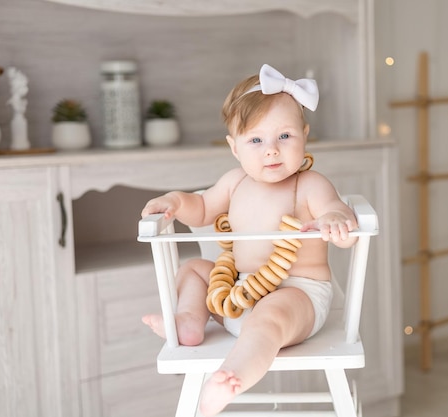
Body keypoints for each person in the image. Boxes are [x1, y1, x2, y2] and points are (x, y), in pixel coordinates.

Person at [140, 63, 358, 416]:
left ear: (304, 135)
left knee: (272, 312)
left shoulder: (312, 185)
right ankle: (189, 322)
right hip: (238, 294)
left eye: (284, 137)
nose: (271, 150)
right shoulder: (234, 182)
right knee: (194, 269)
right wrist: (177, 202)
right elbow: (201, 208)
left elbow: (340, 219)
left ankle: (231, 376)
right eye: (256, 140)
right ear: (235, 148)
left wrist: (335, 219)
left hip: (298, 297)